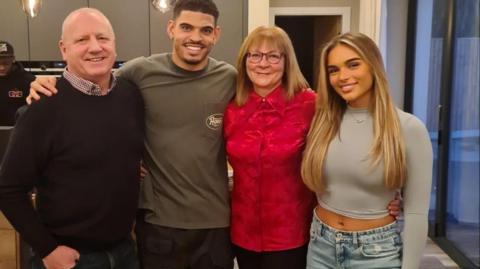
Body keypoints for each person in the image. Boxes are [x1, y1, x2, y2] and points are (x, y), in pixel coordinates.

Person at [27, 1, 236, 268]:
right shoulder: (140, 72)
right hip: (159, 225)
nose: (195, 37)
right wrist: (49, 81)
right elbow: (92, 80)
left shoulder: (229, 77)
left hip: (216, 224)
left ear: (216, 34)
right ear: (171, 28)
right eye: (186, 27)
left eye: (205, 30)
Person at [0, 8, 144, 269]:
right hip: (70, 259)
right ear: (63, 49)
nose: (95, 47)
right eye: (81, 40)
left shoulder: (130, 96)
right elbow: (8, 189)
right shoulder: (42, 108)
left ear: (114, 43)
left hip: (125, 252)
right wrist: (48, 250)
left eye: (102, 38)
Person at [301, 32, 433, 268]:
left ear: (373, 66)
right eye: (333, 70)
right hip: (320, 245)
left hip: (376, 253)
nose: (343, 76)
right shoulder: (323, 122)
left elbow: (416, 213)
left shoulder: (408, 128)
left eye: (353, 64)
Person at [223, 26, 316, 269]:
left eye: (273, 56)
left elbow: (338, 154)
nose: (263, 63)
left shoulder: (310, 104)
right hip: (243, 233)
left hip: (291, 234)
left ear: (287, 62)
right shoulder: (231, 109)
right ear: (245, 62)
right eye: (255, 55)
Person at [0, 41, 35, 126]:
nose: (1, 67)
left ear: (13, 59)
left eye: (6, 63)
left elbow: (35, 109)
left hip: (18, 132)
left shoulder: (28, 80)